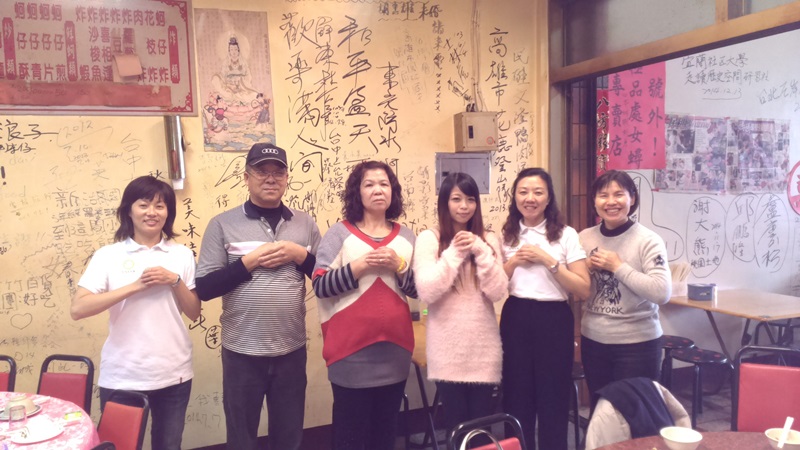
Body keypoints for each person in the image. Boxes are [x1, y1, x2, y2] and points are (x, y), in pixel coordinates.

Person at [195, 143, 321, 450]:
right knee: (242, 439)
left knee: (288, 436)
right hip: (241, 353)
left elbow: (324, 278)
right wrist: (248, 262)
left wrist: (300, 254)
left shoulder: (304, 223)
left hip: (291, 350)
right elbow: (206, 288)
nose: (270, 178)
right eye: (262, 171)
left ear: (287, 178)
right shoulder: (222, 224)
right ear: (246, 177)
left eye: (278, 172)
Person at [71, 176, 200, 450]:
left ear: (168, 213)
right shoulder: (109, 255)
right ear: (128, 210)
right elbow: (78, 309)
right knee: (120, 446)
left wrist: (175, 280)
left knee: (169, 445)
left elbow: (194, 312)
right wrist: (135, 286)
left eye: (160, 206)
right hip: (124, 374)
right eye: (143, 205)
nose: (152, 212)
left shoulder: (182, 255)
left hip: (174, 372)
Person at [312, 160, 417, 450]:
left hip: (395, 352)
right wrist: (359, 265)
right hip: (349, 354)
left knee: (385, 435)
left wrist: (399, 266)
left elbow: (419, 290)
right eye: (369, 184)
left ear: (393, 191)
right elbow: (320, 286)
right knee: (351, 438)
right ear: (357, 192)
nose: (377, 190)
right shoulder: (339, 234)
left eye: (384, 184)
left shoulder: (407, 237)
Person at [500, 167, 591, 450]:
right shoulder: (506, 234)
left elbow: (583, 288)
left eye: (538, 192)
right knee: (516, 394)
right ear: (515, 196)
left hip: (554, 319)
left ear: (549, 198)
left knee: (553, 395)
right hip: (515, 316)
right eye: (523, 192)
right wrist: (513, 262)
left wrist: (549, 261)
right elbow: (494, 285)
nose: (530, 198)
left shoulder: (566, 235)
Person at [413, 172, 508, 438]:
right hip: (447, 350)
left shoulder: (489, 240)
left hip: (483, 349)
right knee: (456, 428)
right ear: (445, 202)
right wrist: (455, 251)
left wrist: (480, 250)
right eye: (456, 199)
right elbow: (427, 290)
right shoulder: (429, 239)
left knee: (481, 429)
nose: (464, 206)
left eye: (470, 199)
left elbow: (497, 291)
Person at [579, 169, 671, 409]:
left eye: (619, 194)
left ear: (632, 198)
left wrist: (618, 267)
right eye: (603, 195)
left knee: (634, 414)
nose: (611, 202)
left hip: (637, 345)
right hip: (593, 340)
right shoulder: (584, 238)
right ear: (594, 201)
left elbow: (661, 292)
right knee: (601, 412)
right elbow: (576, 288)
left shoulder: (648, 240)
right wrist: (586, 267)